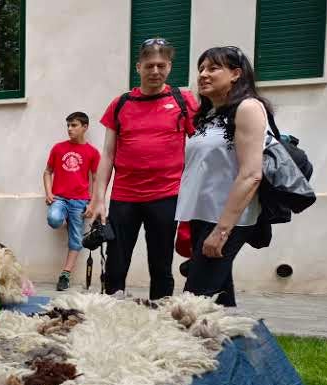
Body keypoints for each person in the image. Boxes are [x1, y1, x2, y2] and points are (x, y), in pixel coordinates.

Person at [86, 38, 199, 300]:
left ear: (170, 66)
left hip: (167, 196)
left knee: (161, 264)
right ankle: (112, 316)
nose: (155, 71)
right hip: (125, 197)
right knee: (115, 264)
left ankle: (160, 317)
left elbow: (201, 146)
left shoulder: (184, 101)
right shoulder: (121, 104)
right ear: (138, 67)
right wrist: (99, 198)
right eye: (150, 65)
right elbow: (108, 154)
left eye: (161, 65)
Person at [175, 46, 269, 307]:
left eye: (213, 68)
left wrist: (221, 230)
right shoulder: (210, 115)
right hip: (202, 216)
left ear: (236, 74)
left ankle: (186, 346)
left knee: (193, 302)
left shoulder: (248, 108)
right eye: (201, 69)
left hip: (225, 219)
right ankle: (234, 347)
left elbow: (251, 174)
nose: (203, 74)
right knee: (219, 299)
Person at [42, 112, 101, 291]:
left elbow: (96, 178)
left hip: (80, 201)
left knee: (75, 239)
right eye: (68, 125)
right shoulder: (58, 148)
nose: (69, 129)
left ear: (85, 127)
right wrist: (48, 192)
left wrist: (92, 204)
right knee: (53, 219)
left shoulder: (92, 152)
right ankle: (64, 217)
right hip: (59, 198)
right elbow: (47, 172)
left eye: (74, 125)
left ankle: (65, 274)